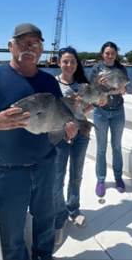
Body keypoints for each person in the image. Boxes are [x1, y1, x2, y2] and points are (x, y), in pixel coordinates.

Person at [0, 23, 78, 260]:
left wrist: (68, 130)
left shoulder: (49, 82)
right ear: (10, 46)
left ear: (41, 49)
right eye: (22, 41)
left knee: (45, 221)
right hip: (7, 170)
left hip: (45, 165)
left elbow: (57, 120)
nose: (29, 47)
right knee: (11, 232)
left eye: (34, 42)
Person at [53, 46, 106, 246]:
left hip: (81, 133)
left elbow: (85, 109)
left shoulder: (83, 85)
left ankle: (73, 209)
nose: (69, 65)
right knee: (57, 178)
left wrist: (97, 102)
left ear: (77, 64)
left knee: (76, 174)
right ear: (59, 63)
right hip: (60, 135)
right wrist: (68, 106)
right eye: (65, 61)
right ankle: (59, 220)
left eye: (73, 62)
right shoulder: (52, 83)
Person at [89, 42, 128, 197]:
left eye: (112, 53)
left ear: (116, 54)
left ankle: (118, 177)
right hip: (101, 112)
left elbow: (124, 89)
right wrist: (99, 85)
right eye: (107, 53)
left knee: (117, 146)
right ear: (102, 54)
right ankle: (101, 180)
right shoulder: (96, 69)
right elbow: (91, 90)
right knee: (101, 148)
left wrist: (123, 90)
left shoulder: (122, 69)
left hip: (118, 112)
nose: (110, 56)